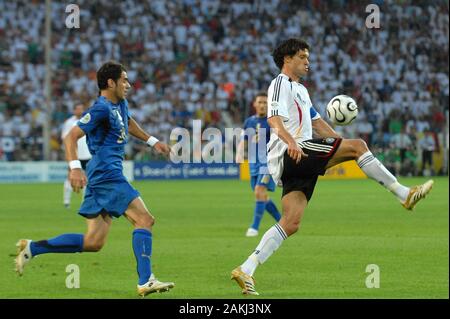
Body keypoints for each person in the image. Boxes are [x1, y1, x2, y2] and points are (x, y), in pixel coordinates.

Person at [230, 38, 434, 296]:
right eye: (303, 57)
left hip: (296, 157)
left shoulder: (301, 90)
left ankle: (246, 268)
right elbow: (273, 119)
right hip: (291, 152)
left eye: (308, 57)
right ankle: (404, 194)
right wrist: (295, 142)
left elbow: (317, 125)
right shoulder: (280, 83)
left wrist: (341, 144)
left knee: (291, 222)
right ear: (287, 59)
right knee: (359, 145)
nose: (308, 62)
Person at [15, 61, 175, 297]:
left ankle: (33, 248)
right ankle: (146, 280)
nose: (128, 85)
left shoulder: (120, 104)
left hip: (103, 176)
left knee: (93, 243)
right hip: (106, 175)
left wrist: (153, 141)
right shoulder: (100, 109)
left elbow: (128, 122)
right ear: (110, 83)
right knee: (144, 219)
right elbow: (71, 137)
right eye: (124, 80)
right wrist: (74, 168)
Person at [236, 92, 281, 237]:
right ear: (255, 104)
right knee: (262, 195)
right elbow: (244, 139)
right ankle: (282, 221)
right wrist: (239, 152)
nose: (262, 105)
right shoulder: (249, 121)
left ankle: (254, 228)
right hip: (253, 163)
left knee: (259, 190)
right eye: (260, 102)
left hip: (268, 162)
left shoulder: (272, 121)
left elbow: (278, 141)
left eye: (265, 103)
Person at [61, 102, 92, 208]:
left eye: (81, 109)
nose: (80, 111)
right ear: (74, 110)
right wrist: (68, 155)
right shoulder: (69, 123)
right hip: (75, 155)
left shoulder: (88, 119)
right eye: (78, 109)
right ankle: (66, 201)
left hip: (87, 155)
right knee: (70, 177)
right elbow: (66, 139)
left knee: (87, 179)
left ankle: (85, 202)